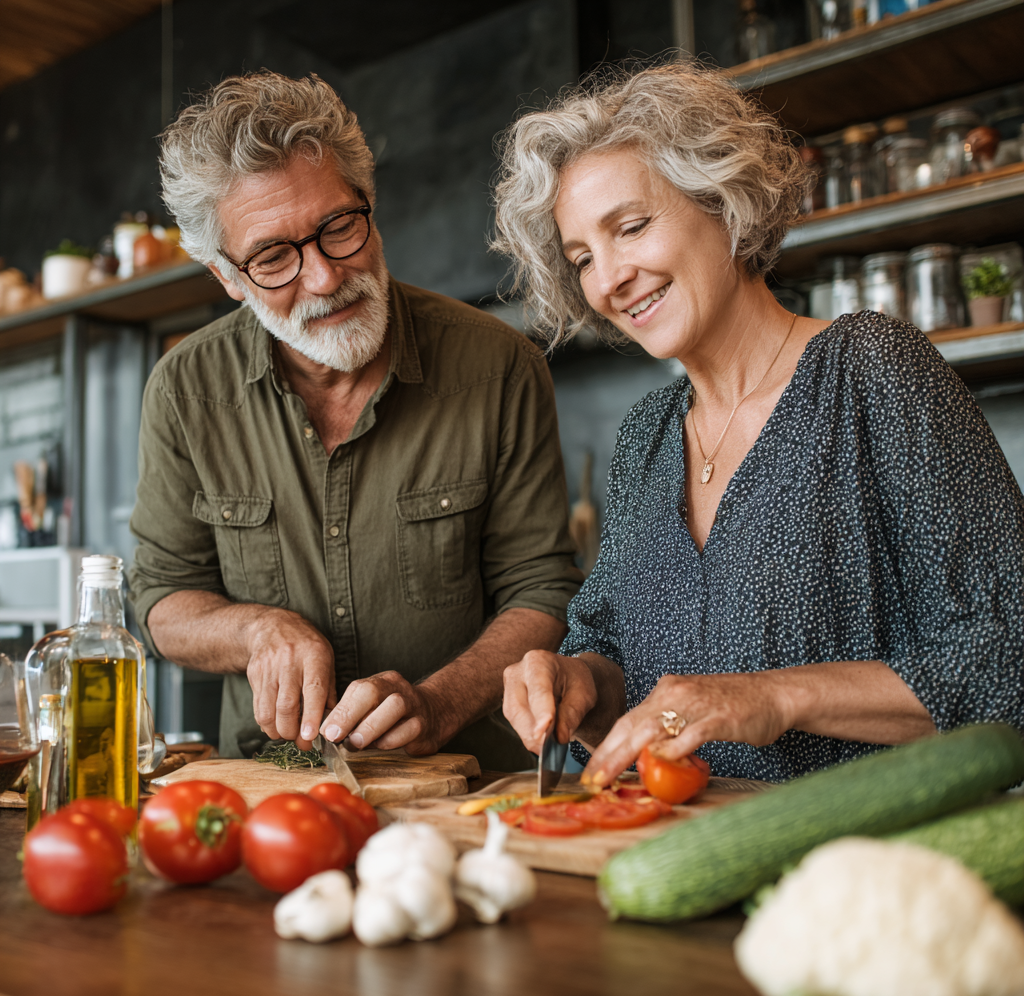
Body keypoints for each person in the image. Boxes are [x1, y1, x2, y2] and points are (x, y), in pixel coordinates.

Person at [493, 63, 1024, 784]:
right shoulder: (647, 433)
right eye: (583, 257)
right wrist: (575, 682)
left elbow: (1005, 658)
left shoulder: (869, 372)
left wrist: (768, 696)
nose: (610, 277)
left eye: (633, 227)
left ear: (723, 201)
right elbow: (613, 655)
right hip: (683, 858)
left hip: (863, 865)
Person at [129, 72, 582, 767]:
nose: (323, 277)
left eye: (338, 227)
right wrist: (256, 630)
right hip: (270, 787)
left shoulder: (500, 367)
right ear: (227, 276)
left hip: (465, 783)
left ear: (369, 203)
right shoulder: (186, 391)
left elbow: (542, 590)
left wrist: (441, 702)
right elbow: (160, 599)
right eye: (274, 257)